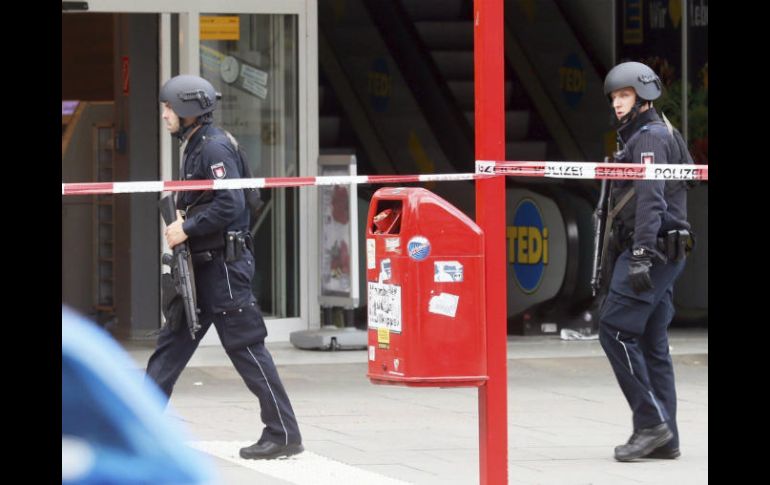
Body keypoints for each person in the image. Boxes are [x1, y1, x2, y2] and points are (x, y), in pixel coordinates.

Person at [146, 74, 303, 460]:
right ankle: (136, 426)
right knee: (170, 346)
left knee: (246, 348)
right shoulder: (197, 143)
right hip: (200, 265)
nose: (165, 114)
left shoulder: (214, 147)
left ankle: (283, 433)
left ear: (186, 110)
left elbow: (231, 204)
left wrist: (187, 227)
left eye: (168, 107)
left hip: (223, 268)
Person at [598, 61, 693, 462]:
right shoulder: (660, 131)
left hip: (651, 252)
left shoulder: (649, 138)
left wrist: (639, 255)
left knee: (614, 331)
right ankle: (665, 436)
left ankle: (651, 424)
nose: (618, 104)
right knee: (653, 343)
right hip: (666, 252)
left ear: (643, 97)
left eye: (625, 96)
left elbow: (652, 198)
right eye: (615, 97)